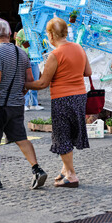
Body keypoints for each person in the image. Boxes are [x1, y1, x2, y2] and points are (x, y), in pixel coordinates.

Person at [0, 20, 47, 190]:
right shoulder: (22, 53)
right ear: (8, 35)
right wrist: (19, 94)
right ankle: (37, 169)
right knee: (21, 138)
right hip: (16, 105)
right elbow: (29, 81)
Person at [25, 18, 92, 188]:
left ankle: (71, 174)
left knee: (62, 135)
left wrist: (23, 84)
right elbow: (88, 72)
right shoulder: (78, 48)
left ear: (51, 34)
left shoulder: (55, 55)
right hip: (79, 97)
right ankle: (64, 170)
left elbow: (42, 84)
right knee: (69, 133)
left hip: (62, 98)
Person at [15, 25, 44, 111]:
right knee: (26, 81)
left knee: (35, 81)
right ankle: (25, 103)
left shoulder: (36, 32)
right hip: (25, 58)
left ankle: (34, 103)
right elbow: (17, 45)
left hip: (35, 59)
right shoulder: (21, 31)